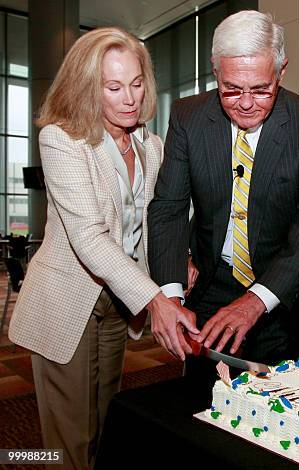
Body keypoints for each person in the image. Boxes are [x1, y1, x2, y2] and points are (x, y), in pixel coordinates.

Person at [8, 27, 197, 469]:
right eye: (113, 87)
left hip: (117, 304)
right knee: (67, 438)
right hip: (67, 301)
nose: (129, 98)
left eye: (136, 84)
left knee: (102, 422)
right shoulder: (61, 139)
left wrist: (179, 259)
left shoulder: (151, 146)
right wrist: (154, 299)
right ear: (87, 87)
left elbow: (156, 220)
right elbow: (89, 236)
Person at [147, 10, 299, 374]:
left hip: (282, 295)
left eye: (262, 89)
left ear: (281, 71)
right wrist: (170, 295)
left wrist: (255, 302)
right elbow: (168, 208)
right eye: (231, 89)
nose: (246, 103)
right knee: (204, 407)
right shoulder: (188, 116)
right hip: (210, 288)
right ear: (216, 71)